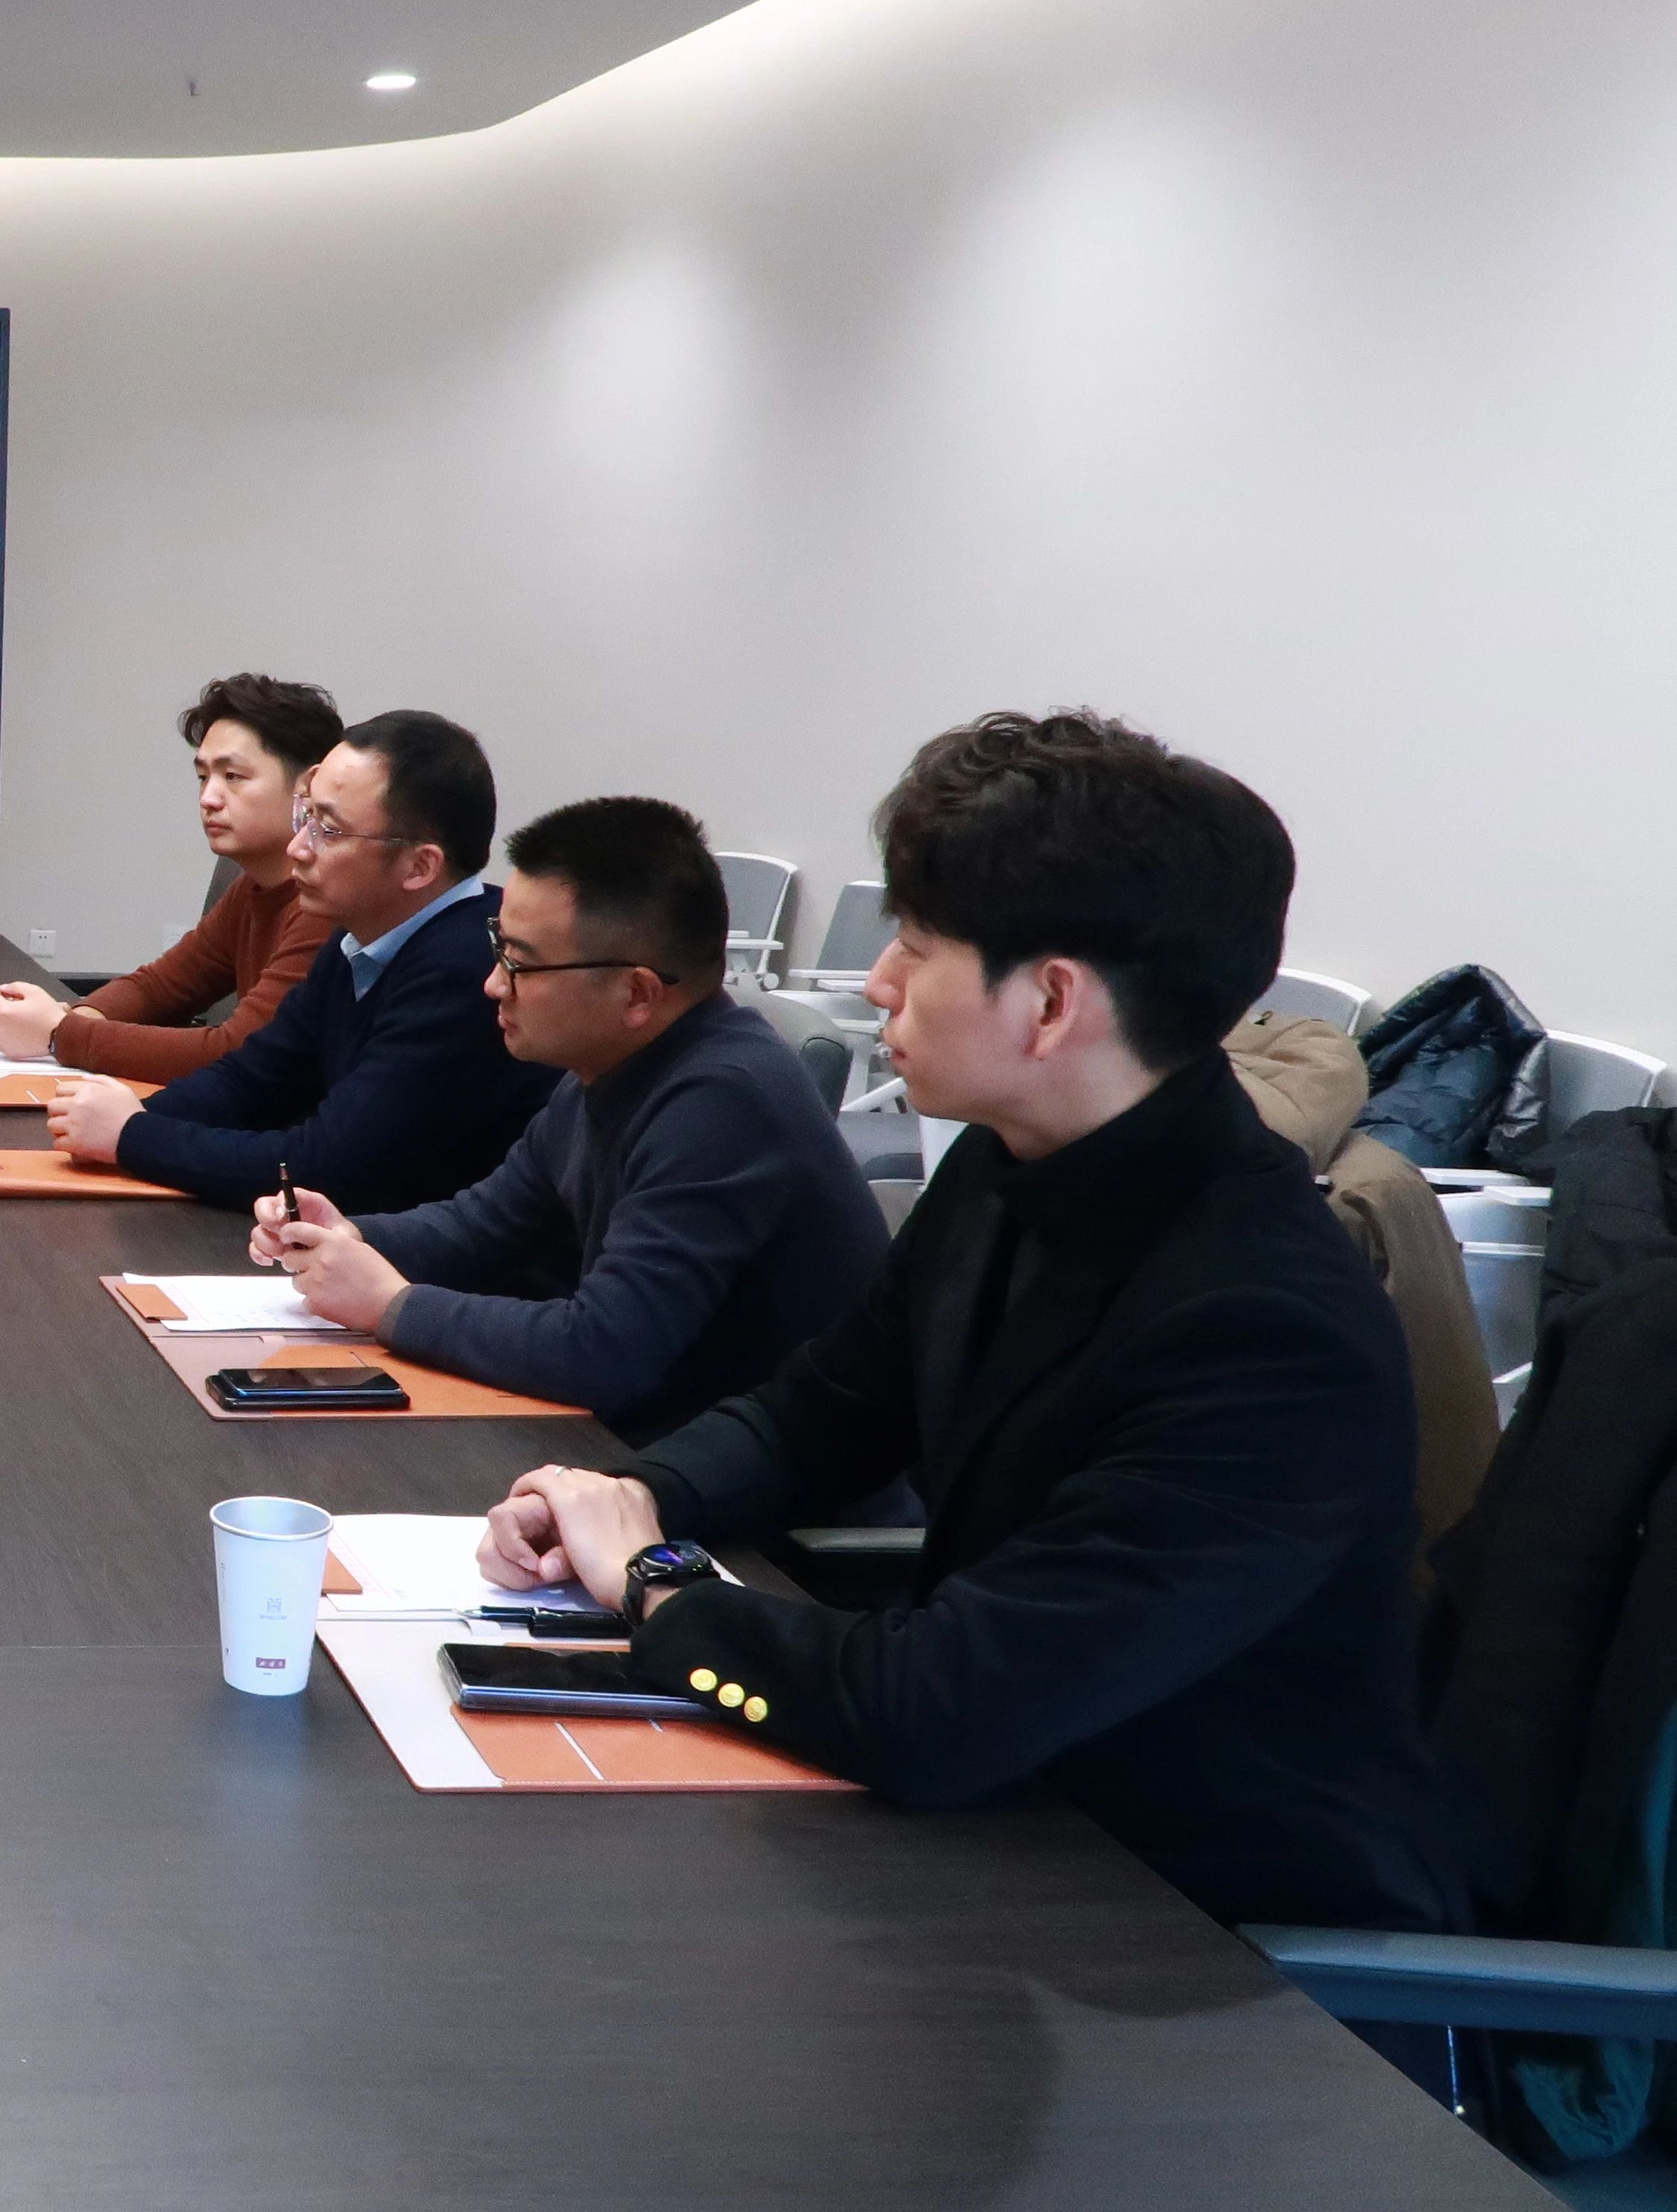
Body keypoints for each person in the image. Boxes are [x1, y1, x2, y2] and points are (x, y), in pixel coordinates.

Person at [478, 712, 1459, 1933]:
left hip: (1200, 1935)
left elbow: (938, 1715)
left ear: (1049, 1003)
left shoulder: (1265, 1332)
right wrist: (627, 1494)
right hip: (1005, 1836)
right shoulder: (1012, 1164)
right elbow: (822, 1409)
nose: (878, 982)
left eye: (915, 943)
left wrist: (656, 1582)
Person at [247, 797, 882, 1438]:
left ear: (637, 993)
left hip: (742, 1482)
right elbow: (481, 1225)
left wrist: (390, 1304)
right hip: (643, 1446)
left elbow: (603, 1351)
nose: (494, 984)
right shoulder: (607, 1066)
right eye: (499, 948)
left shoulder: (724, 1102)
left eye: (520, 963)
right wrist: (351, 1236)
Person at [51, 709, 554, 1213]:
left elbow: (330, 1168)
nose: (298, 848)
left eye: (328, 831)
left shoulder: (465, 971)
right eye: (306, 817)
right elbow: (252, 1081)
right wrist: (125, 1119)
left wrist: (132, 1135)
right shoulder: (356, 938)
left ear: (419, 866)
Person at [0, 674, 342, 1081]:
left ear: (308, 788)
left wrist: (58, 1034)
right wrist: (73, 1019)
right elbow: (159, 987)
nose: (208, 798)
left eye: (233, 776)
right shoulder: (252, 887)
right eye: (203, 777)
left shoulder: (328, 901)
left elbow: (240, 1052)